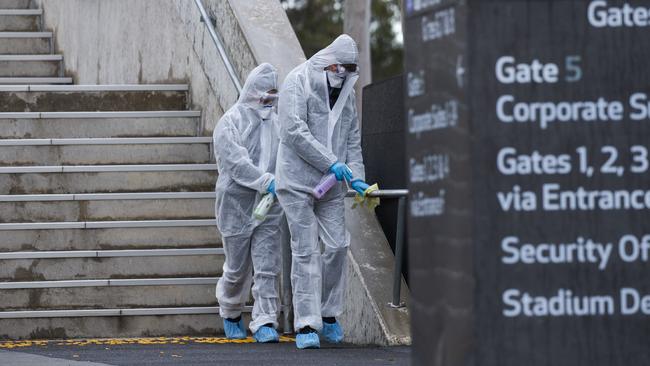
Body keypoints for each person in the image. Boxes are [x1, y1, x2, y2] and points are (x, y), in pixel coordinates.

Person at [275, 34, 371, 349]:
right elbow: (293, 131)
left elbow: (353, 139)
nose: (341, 74)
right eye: (338, 66)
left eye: (348, 69)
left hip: (330, 185)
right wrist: (332, 162)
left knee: (339, 246)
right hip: (297, 181)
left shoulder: (345, 94)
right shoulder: (296, 82)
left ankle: (328, 313)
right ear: (327, 60)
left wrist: (357, 178)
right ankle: (306, 325)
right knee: (305, 252)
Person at [213, 63, 283, 343]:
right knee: (237, 267)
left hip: (270, 204)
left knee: (267, 265)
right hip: (236, 205)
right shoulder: (230, 122)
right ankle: (230, 311)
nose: (268, 100)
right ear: (252, 91)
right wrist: (266, 181)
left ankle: (265, 319)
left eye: (273, 95)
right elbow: (236, 164)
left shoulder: (277, 124)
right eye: (264, 94)